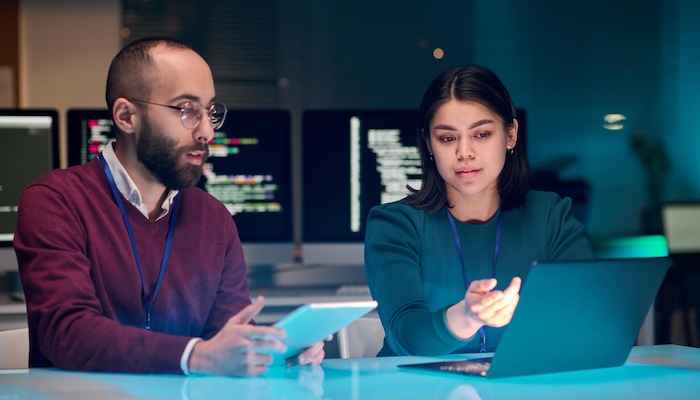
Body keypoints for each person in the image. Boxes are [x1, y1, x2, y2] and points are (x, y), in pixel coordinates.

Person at [14, 37, 325, 376]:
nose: (207, 131)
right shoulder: (54, 201)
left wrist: (274, 350)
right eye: (187, 110)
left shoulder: (214, 218)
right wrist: (195, 356)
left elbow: (224, 337)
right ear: (126, 116)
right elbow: (69, 334)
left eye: (209, 111)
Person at [364, 65, 594, 357]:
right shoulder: (395, 224)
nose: (465, 152)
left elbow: (585, 321)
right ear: (429, 144)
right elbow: (407, 337)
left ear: (510, 135)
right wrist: (467, 317)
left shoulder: (551, 216)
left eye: (482, 134)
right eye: (447, 138)